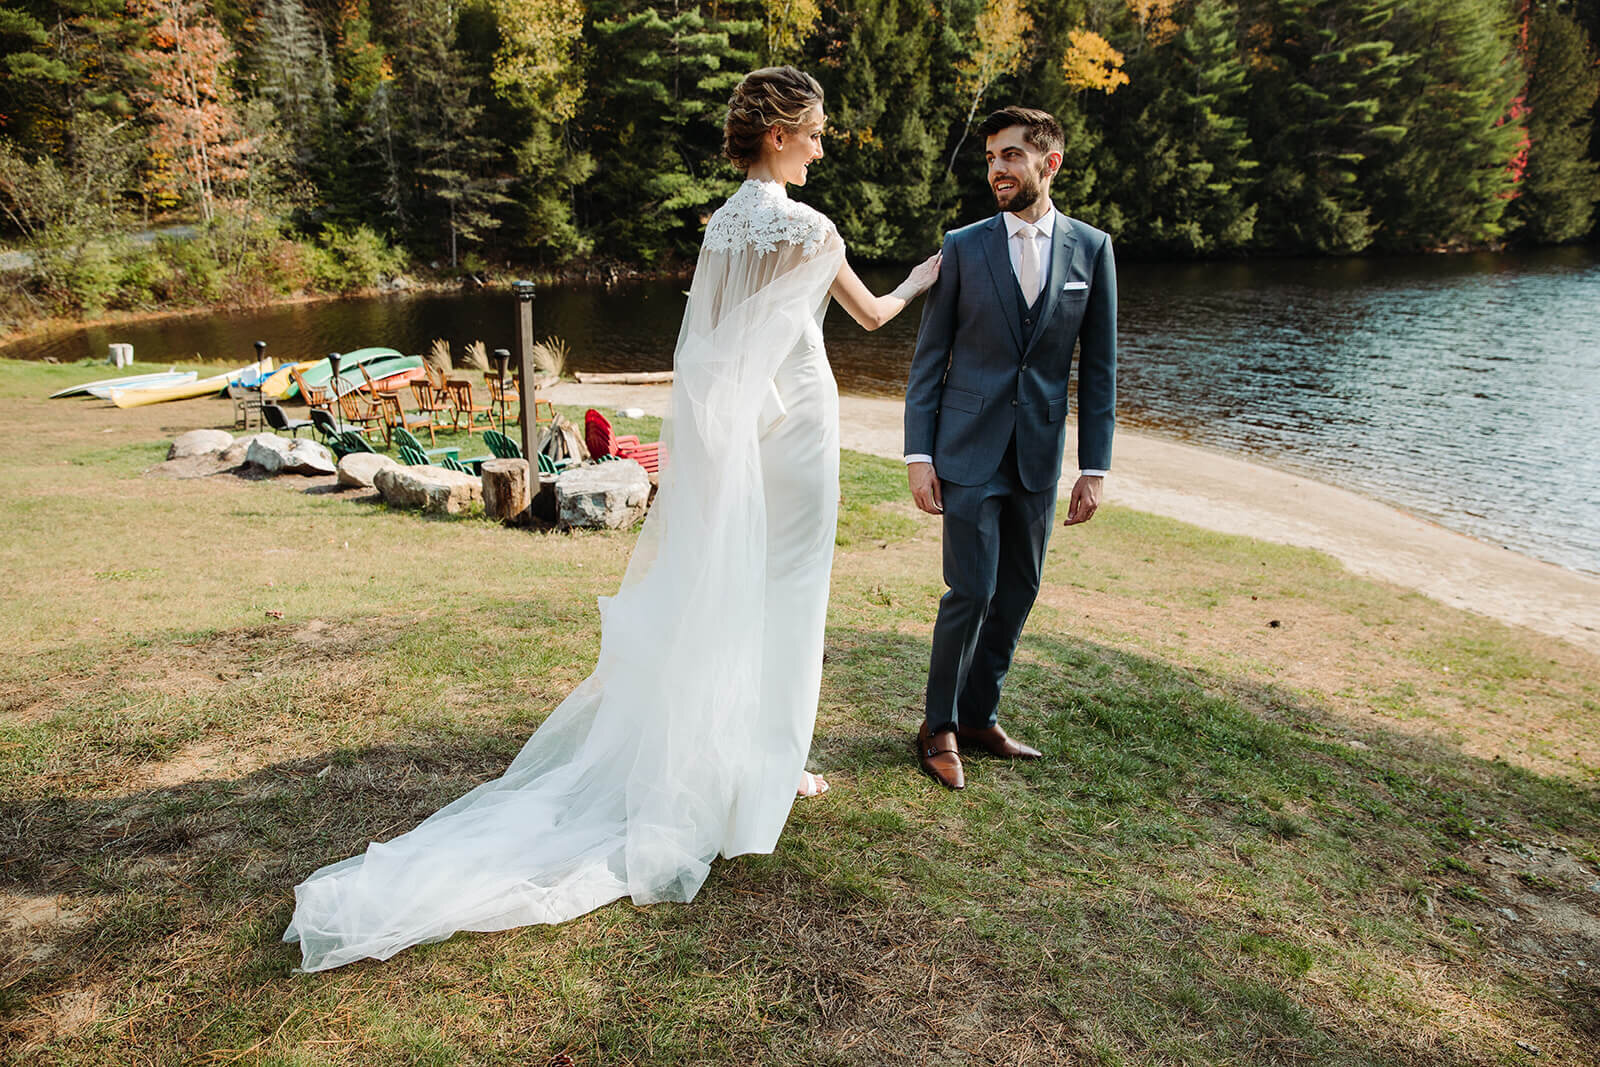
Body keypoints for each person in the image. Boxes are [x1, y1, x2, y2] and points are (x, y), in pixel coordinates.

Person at [282, 66, 940, 972]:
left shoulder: (723, 228)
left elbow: (705, 352)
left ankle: (748, 753)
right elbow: (869, 317)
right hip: (795, 437)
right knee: (789, 594)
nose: (824, 144)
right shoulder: (810, 228)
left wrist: (711, 452)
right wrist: (926, 276)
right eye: (818, 130)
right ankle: (767, 772)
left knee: (734, 593)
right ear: (782, 133)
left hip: (736, 435)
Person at [903, 105, 1117, 790]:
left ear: (1048, 164)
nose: (997, 168)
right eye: (993, 156)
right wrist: (918, 454)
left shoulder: (1093, 249)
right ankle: (936, 727)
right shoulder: (962, 246)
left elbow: (1101, 366)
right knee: (970, 589)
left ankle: (977, 716)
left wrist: (1094, 465)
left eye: (1012, 156)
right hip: (965, 449)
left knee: (1019, 589)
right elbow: (928, 358)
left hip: (1037, 456)